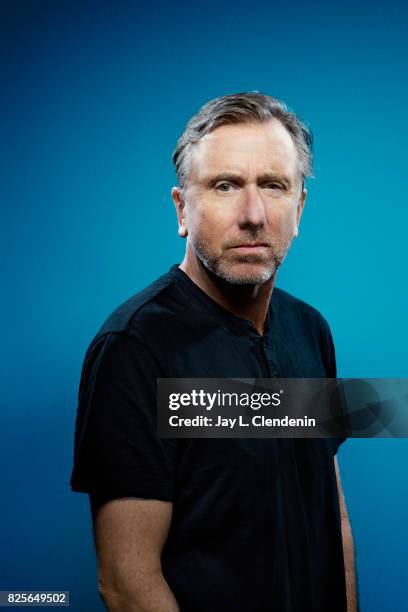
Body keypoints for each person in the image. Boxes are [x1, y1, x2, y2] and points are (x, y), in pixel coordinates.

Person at [70, 92, 357, 612]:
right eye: (225, 185)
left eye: (273, 186)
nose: (253, 214)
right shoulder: (133, 349)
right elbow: (126, 582)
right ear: (182, 208)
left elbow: (329, 512)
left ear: (299, 208)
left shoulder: (310, 329)